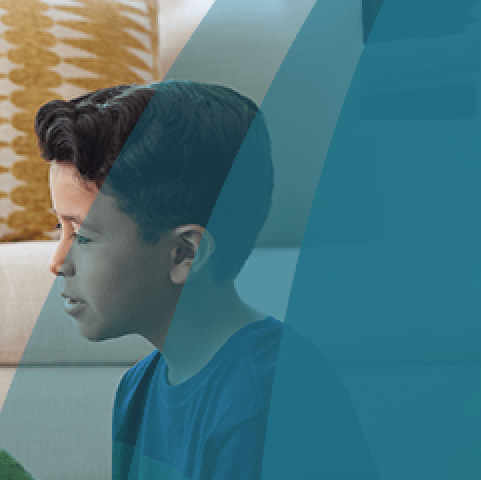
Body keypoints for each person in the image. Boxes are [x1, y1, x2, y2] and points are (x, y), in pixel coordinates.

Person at [38, 81, 377, 480]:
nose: (57, 262)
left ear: (185, 253)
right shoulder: (136, 393)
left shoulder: (264, 406)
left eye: (83, 236)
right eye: (57, 227)